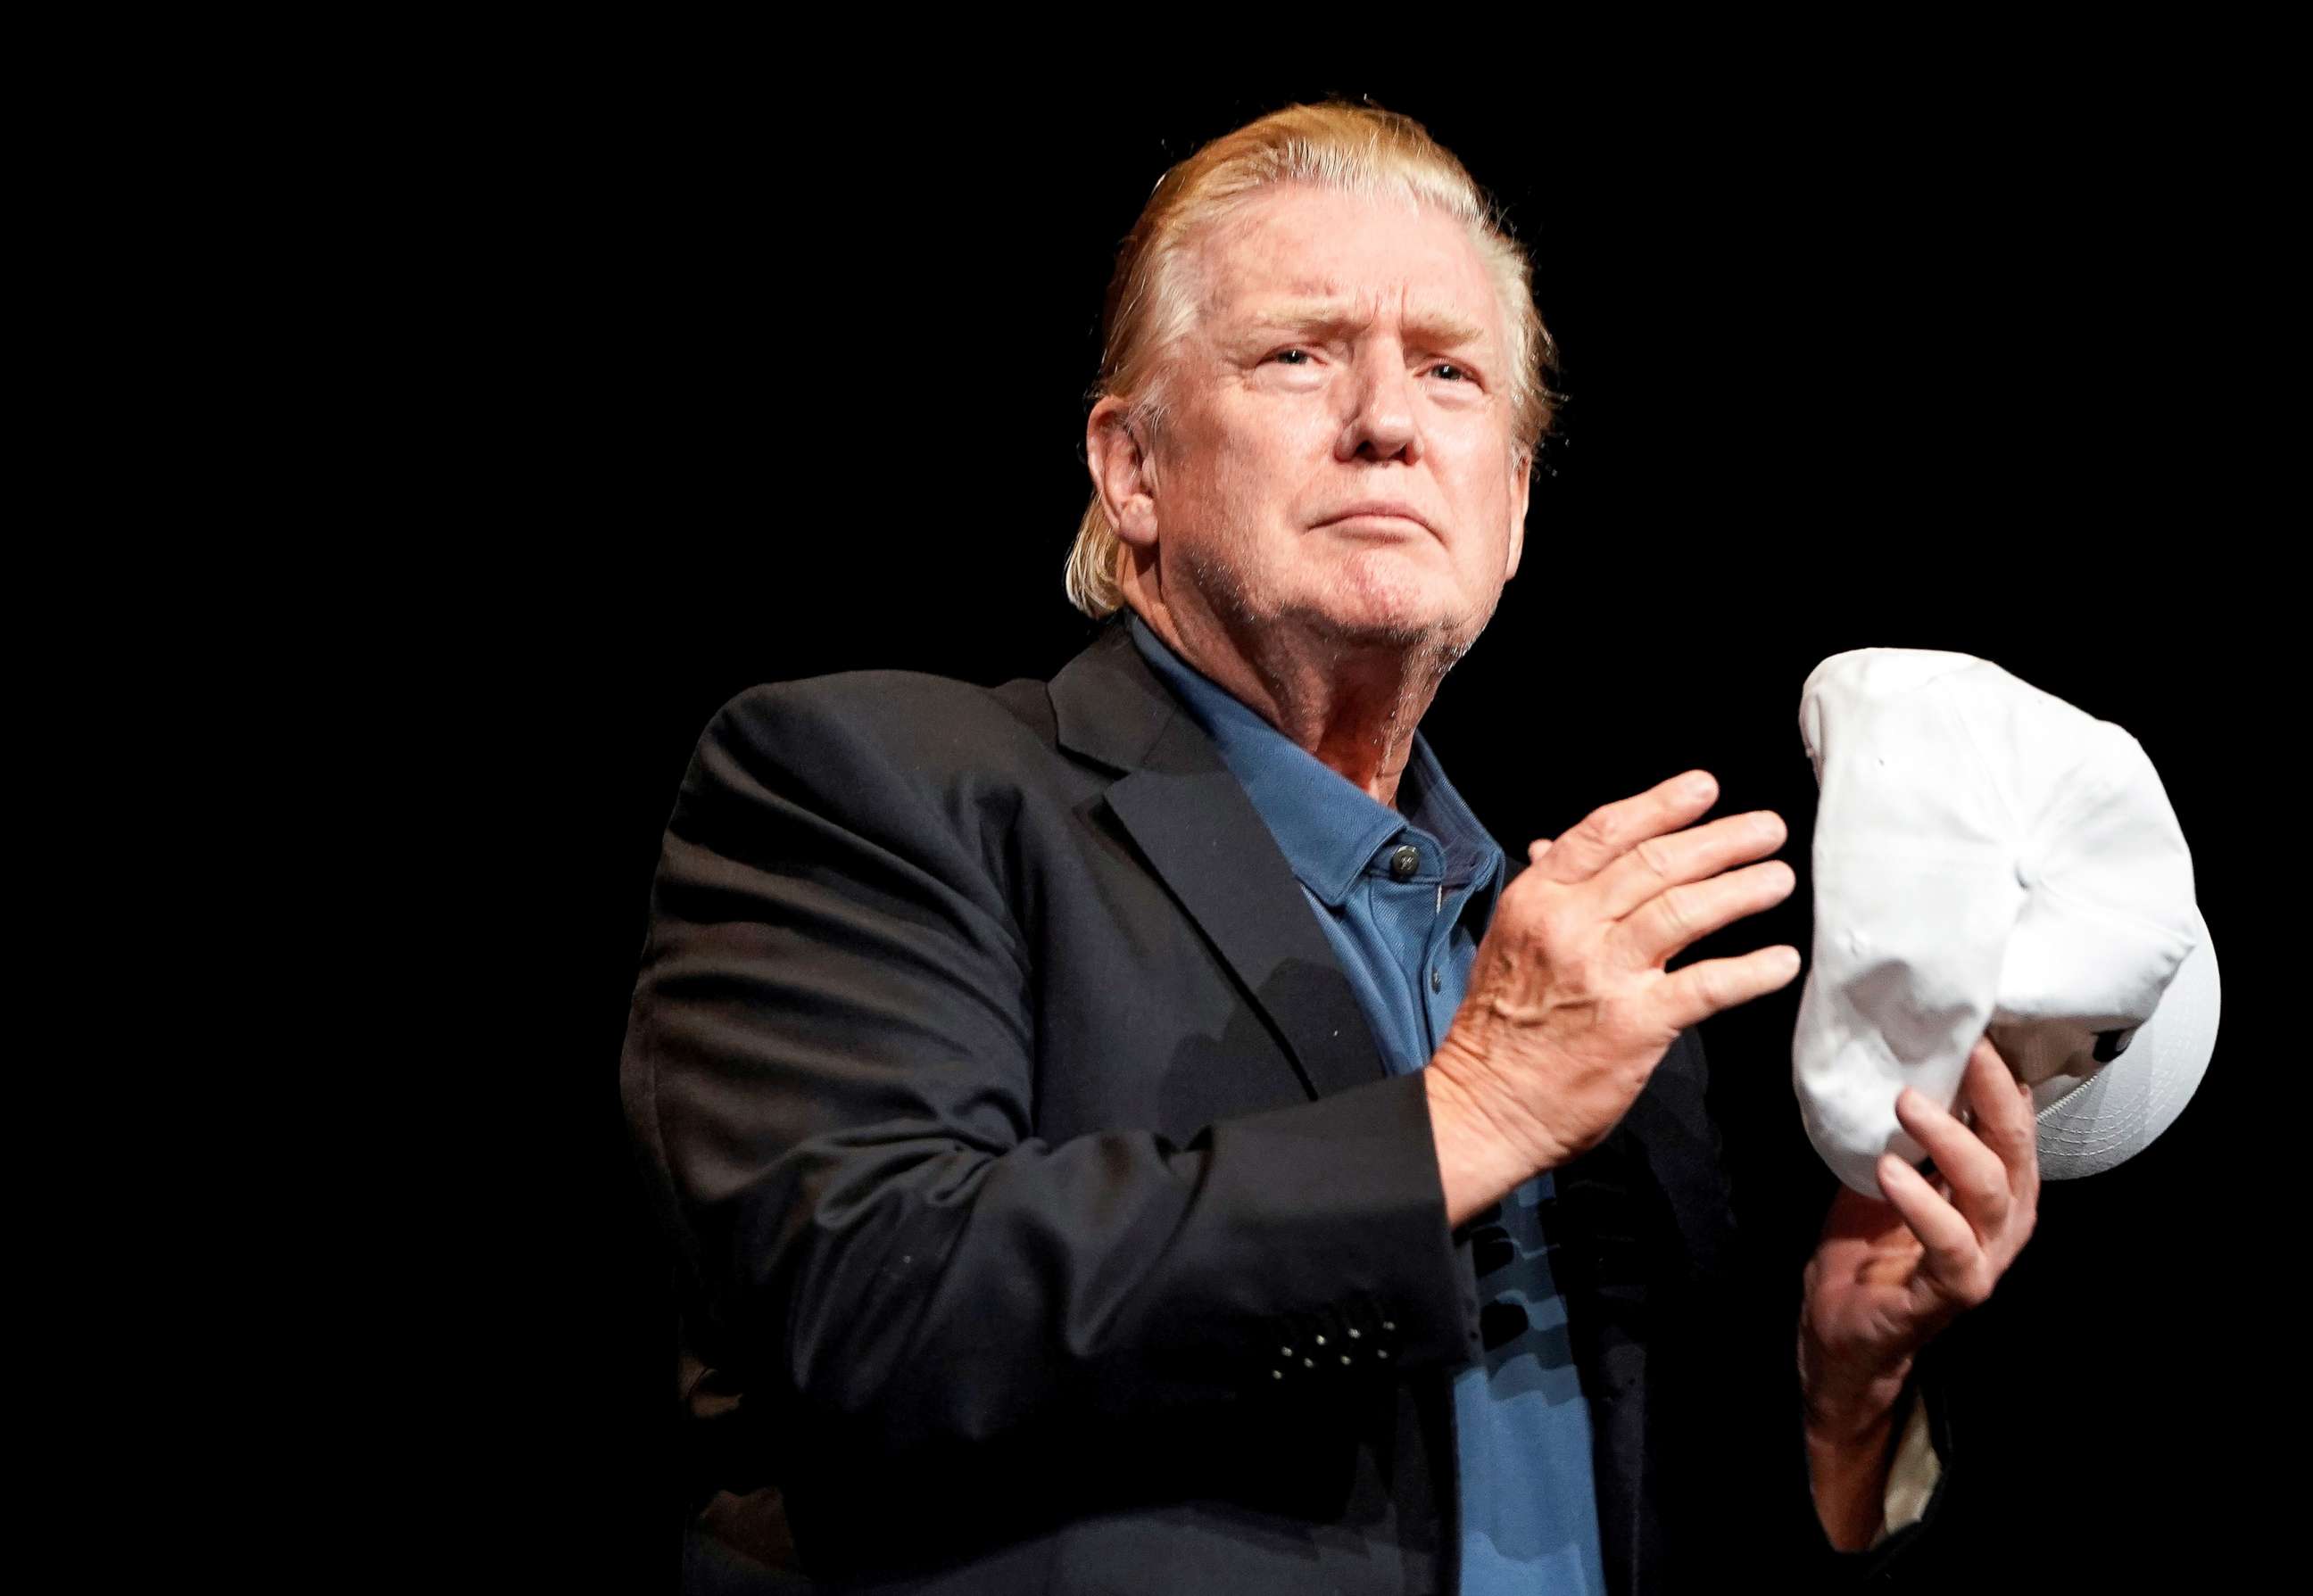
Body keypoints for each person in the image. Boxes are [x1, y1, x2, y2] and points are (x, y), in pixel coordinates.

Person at [619, 102, 2040, 1594]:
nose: (1387, 417)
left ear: (1512, 510)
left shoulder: (1586, 976)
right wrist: (1467, 1113)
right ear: (1133, 470)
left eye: (1450, 370)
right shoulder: (880, 784)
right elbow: (863, 1312)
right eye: (1299, 351)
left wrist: (1836, 1397)